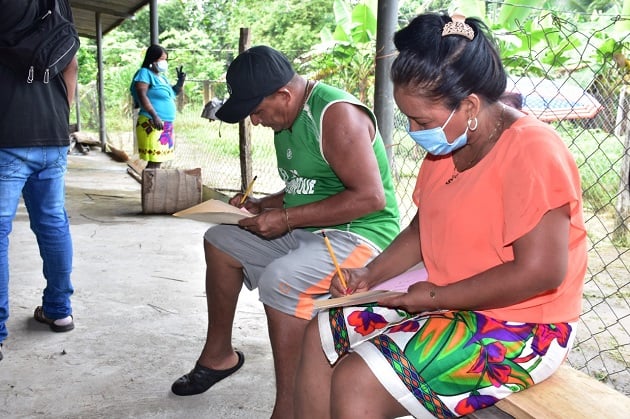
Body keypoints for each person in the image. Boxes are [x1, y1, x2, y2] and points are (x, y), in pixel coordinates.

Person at [294, 12, 587, 418]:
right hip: (451, 297)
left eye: (422, 120)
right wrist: (370, 274)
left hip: (523, 323)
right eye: (408, 118)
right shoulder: (447, 146)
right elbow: (423, 225)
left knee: (357, 378)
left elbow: (541, 273)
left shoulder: (533, 151)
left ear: (469, 106)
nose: (414, 131)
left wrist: (434, 297)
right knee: (323, 329)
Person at [171, 45, 400, 418]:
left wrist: (288, 219)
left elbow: (370, 198)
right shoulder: (286, 120)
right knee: (220, 241)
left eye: (258, 112)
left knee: (282, 280)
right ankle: (219, 357)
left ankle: (291, 406)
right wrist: (265, 205)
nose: (256, 122)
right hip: (313, 230)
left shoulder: (335, 115)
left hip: (362, 236)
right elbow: (306, 189)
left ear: (283, 95)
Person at [0, 0, 80, 362]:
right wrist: (61, 118)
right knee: (53, 223)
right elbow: (70, 64)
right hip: (53, 132)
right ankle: (59, 309)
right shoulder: (57, 2)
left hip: (7, 132)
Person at [130, 45, 185, 169]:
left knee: (158, 161)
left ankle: (151, 187)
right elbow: (142, 95)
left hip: (165, 124)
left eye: (166, 59)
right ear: (152, 59)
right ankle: (150, 187)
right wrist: (155, 116)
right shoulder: (144, 73)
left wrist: (180, 83)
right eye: (161, 59)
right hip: (152, 122)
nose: (164, 62)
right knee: (154, 162)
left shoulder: (162, 78)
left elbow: (173, 92)